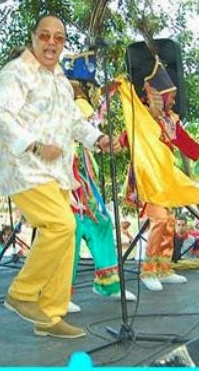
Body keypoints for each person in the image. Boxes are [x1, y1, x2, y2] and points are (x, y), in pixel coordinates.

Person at [0, 15, 119, 339]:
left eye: (58, 38)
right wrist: (34, 145)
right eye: (45, 36)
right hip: (25, 168)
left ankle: (50, 316)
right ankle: (22, 293)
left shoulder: (60, 78)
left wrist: (99, 139)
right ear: (33, 37)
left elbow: (74, 121)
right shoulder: (15, 74)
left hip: (57, 172)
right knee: (61, 225)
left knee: (66, 234)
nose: (51, 43)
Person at [121, 58, 199, 291]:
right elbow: (127, 138)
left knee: (170, 221)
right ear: (159, 96)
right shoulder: (142, 117)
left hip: (164, 176)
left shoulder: (169, 119)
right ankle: (147, 271)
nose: (174, 101)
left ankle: (163, 268)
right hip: (148, 176)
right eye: (171, 96)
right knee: (160, 220)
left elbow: (183, 140)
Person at [61, 54, 136, 311]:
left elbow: (88, 122)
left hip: (77, 177)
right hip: (58, 177)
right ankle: (58, 294)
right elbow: (85, 120)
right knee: (70, 230)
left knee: (100, 223)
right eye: (90, 87)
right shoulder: (66, 104)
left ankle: (108, 283)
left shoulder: (77, 104)